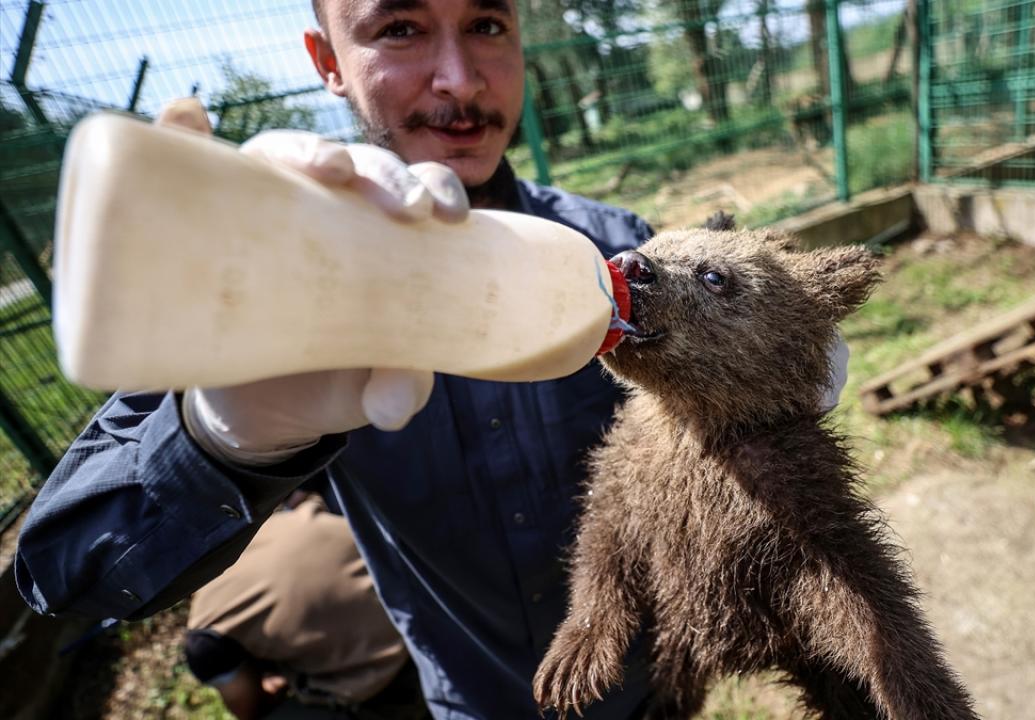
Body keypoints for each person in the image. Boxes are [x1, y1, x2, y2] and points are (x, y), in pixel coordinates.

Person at [15, 1, 847, 718]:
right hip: (473, 702)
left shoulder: (625, 258)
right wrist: (221, 439)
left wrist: (789, 359)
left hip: (650, 694)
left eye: (487, 23)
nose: (459, 79)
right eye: (401, 28)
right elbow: (65, 571)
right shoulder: (266, 281)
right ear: (327, 62)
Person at [184, 494, 427, 720]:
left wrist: (272, 686)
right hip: (433, 614)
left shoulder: (205, 635)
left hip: (398, 676)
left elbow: (248, 707)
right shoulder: (256, 530)